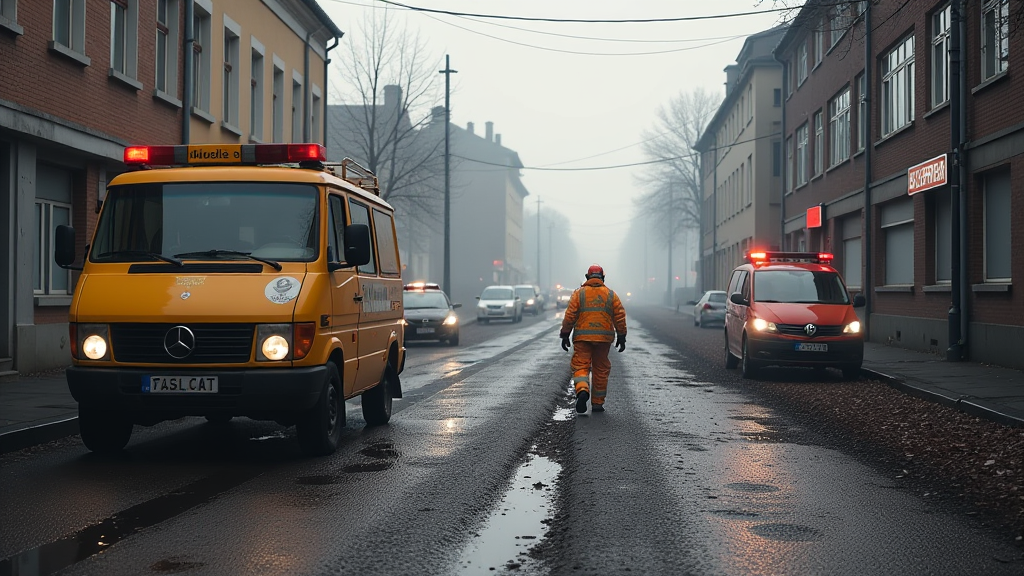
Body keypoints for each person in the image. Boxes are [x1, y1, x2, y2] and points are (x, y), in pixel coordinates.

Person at [559, 264, 627, 414]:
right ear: (603, 277)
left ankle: (582, 390)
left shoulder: (579, 294)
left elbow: (570, 316)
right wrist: (622, 335)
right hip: (603, 338)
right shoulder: (611, 295)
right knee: (601, 369)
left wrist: (565, 334)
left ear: (587, 277)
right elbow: (619, 316)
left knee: (580, 366)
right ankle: (597, 403)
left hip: (583, 338)